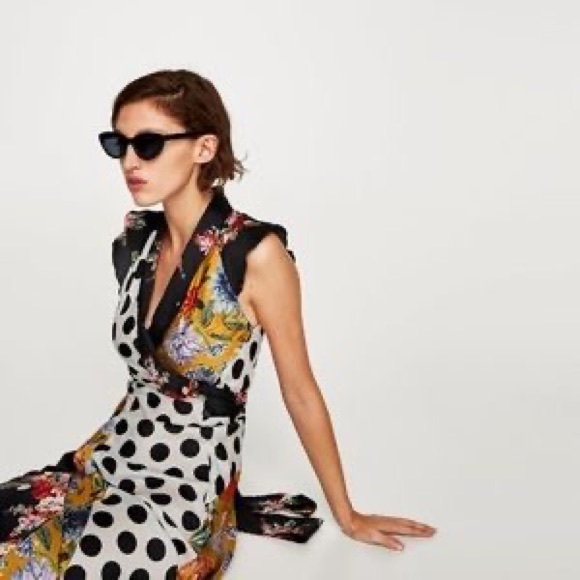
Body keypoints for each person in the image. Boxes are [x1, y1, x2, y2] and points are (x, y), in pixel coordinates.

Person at [0, 69, 436, 579]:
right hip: (111, 453)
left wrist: (348, 514)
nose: (130, 161)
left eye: (148, 143)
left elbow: (299, 390)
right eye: (118, 144)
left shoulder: (255, 254)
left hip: (187, 482)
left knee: (34, 569)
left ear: (204, 148)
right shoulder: (136, 244)